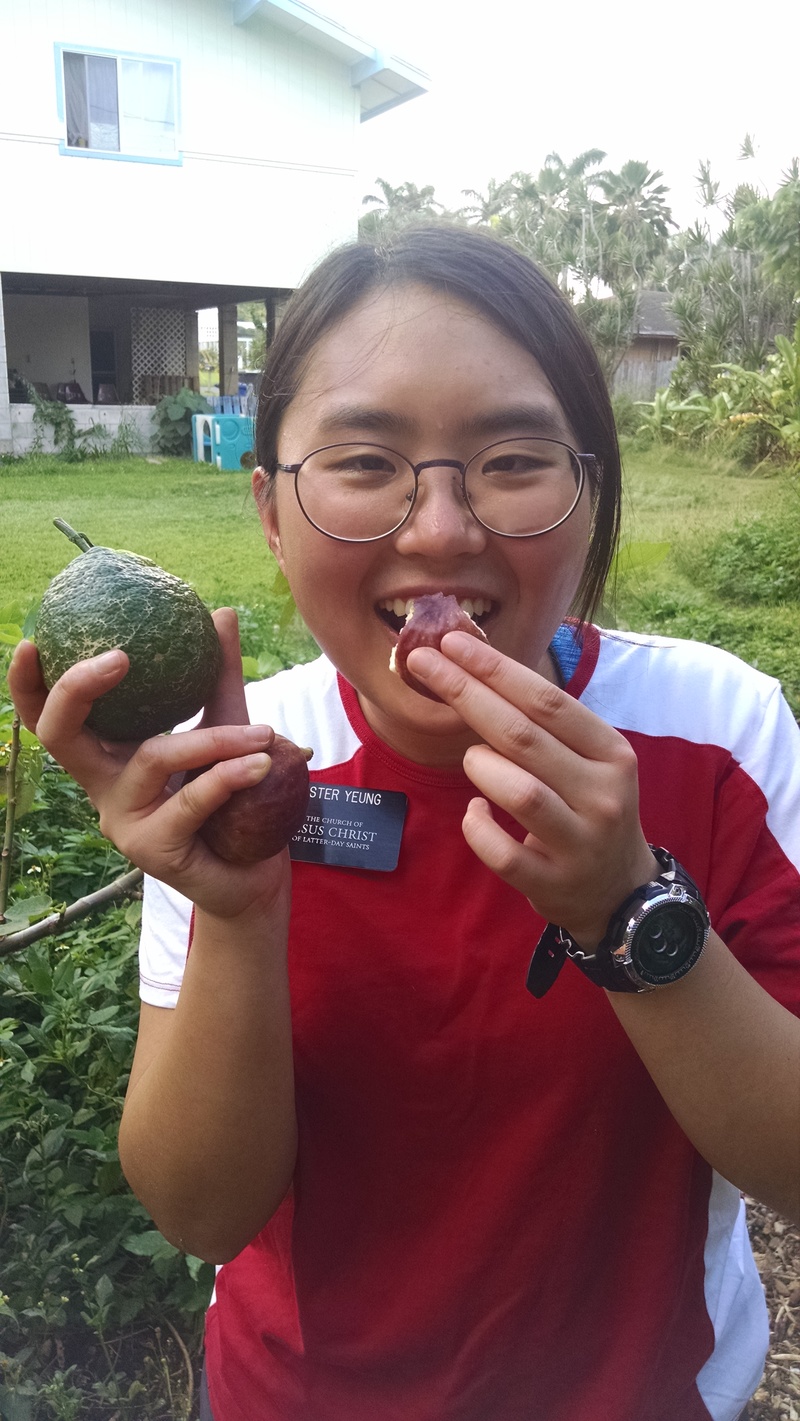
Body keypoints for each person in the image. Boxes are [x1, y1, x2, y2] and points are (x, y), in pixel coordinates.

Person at [9, 226, 800, 1421]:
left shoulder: (714, 728)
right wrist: (234, 905)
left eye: (513, 459)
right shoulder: (238, 772)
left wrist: (624, 907)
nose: (439, 530)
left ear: (592, 497)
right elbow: (203, 1210)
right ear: (271, 513)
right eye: (366, 462)